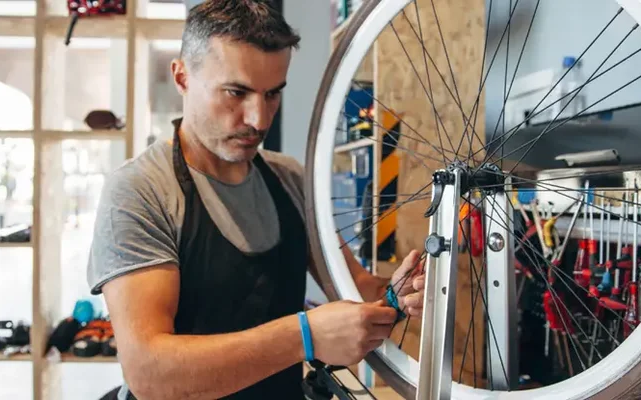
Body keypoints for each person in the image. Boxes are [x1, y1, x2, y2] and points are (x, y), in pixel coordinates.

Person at [87, 1, 427, 398]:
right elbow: (151, 375)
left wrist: (396, 294)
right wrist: (304, 335)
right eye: (236, 92)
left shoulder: (289, 180)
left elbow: (355, 290)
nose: (259, 119)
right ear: (181, 76)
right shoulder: (140, 191)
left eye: (273, 95)